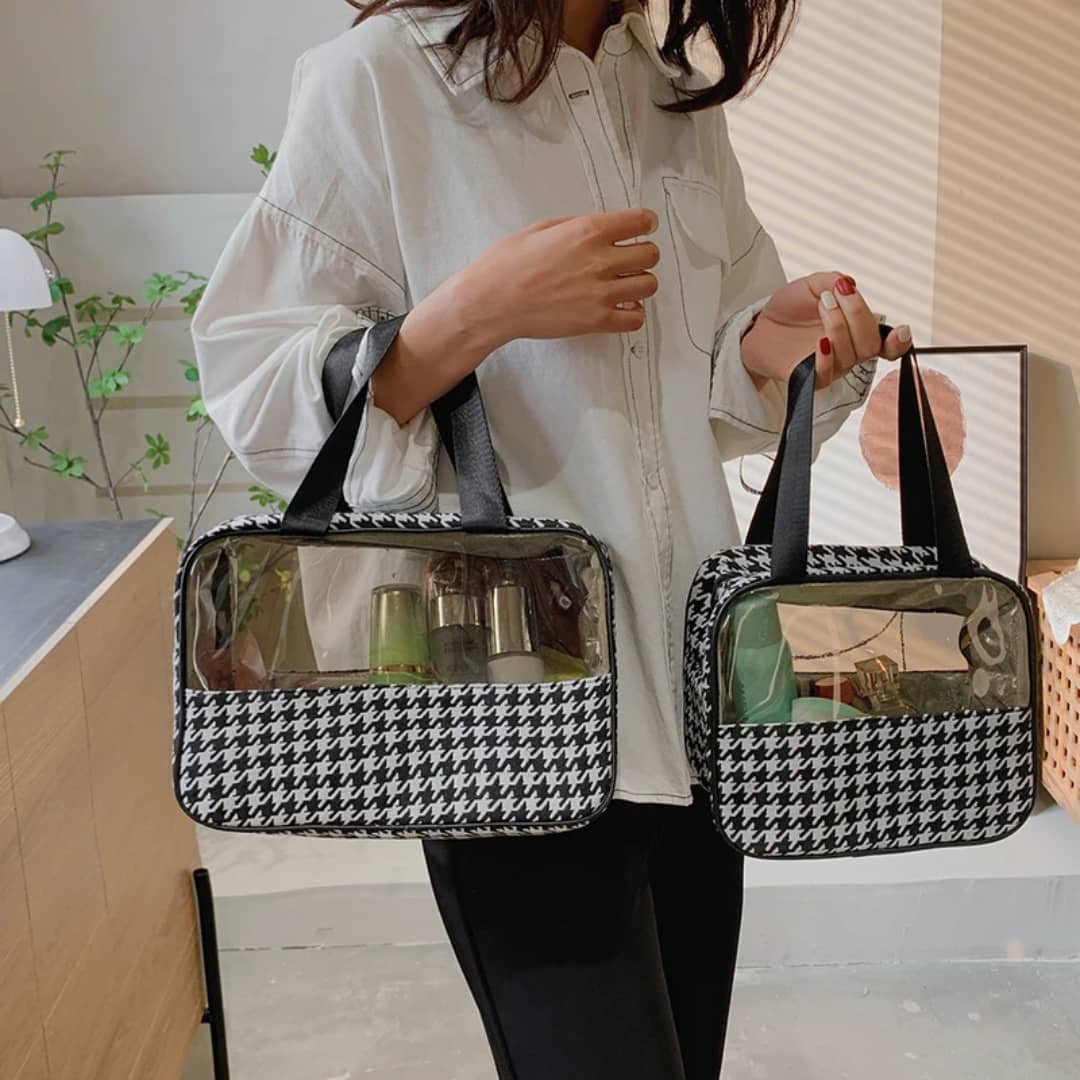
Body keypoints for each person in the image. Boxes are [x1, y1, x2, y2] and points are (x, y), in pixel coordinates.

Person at [193, 1, 910, 1075]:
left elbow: (681, 400)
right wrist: (474, 312)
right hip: (513, 715)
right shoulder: (382, 80)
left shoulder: (671, 97)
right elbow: (257, 389)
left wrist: (764, 346)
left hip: (695, 708)